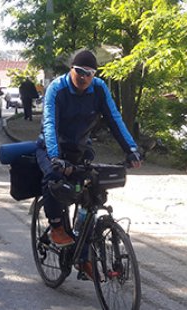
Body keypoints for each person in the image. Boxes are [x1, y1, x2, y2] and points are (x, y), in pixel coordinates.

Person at [36, 49, 141, 277]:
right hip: (51, 148)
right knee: (54, 181)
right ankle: (56, 227)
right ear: (71, 69)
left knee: (90, 197)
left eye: (90, 73)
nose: (84, 77)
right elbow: (50, 124)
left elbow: (114, 119)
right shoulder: (57, 88)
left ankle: (83, 257)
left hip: (80, 150)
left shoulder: (99, 89)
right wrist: (55, 157)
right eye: (80, 72)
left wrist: (131, 149)